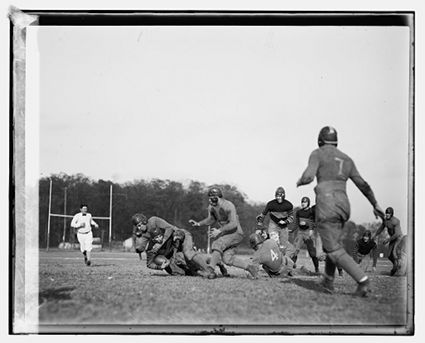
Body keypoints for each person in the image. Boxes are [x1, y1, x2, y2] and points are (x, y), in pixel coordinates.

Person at [296, 126, 384, 296]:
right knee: (333, 244)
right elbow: (363, 185)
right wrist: (375, 204)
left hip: (327, 204)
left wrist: (300, 181)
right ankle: (328, 281)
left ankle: (363, 281)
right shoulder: (347, 159)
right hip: (343, 205)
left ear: (320, 140)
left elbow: (308, 177)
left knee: (333, 248)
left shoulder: (318, 153)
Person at [189, 186, 257, 279]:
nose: (210, 200)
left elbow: (234, 224)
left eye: (212, 197)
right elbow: (211, 219)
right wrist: (198, 223)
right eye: (209, 197)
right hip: (227, 233)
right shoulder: (211, 207)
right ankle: (250, 267)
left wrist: (219, 231)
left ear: (219, 197)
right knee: (227, 259)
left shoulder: (228, 205)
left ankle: (210, 270)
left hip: (236, 233)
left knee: (218, 243)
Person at [131, 213, 216, 278]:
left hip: (181, 235)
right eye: (137, 227)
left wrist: (161, 242)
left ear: (144, 221)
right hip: (172, 244)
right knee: (176, 270)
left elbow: (169, 229)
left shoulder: (153, 220)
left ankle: (209, 269)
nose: (139, 228)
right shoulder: (146, 237)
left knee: (187, 253)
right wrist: (160, 266)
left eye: (139, 225)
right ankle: (199, 271)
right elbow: (148, 260)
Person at [248, 233, 315, 278]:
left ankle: (296, 271)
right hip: (287, 260)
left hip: (281, 272)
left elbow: (253, 271)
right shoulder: (270, 241)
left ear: (253, 245)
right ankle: (298, 269)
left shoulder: (257, 256)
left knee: (264, 266)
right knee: (286, 263)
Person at [256, 187, 296, 260]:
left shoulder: (288, 205)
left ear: (283, 196)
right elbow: (262, 216)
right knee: (274, 243)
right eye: (277, 196)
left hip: (284, 227)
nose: (278, 198)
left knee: (283, 247)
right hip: (273, 225)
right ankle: (273, 261)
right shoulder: (271, 204)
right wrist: (259, 228)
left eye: (280, 196)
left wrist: (285, 222)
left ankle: (282, 262)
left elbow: (291, 218)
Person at [372, 207, 404, 276]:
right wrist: (375, 235)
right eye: (386, 213)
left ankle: (398, 268)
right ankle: (396, 266)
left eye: (388, 213)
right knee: (389, 256)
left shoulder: (395, 221)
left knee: (394, 253)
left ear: (391, 214)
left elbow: (397, 234)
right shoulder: (385, 220)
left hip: (398, 238)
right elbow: (381, 228)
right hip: (392, 238)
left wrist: (387, 240)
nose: (387, 214)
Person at [292, 197, 320, 273]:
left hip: (308, 232)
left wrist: (307, 223)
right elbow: (296, 223)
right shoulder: (298, 212)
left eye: (305, 202)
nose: (303, 203)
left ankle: (317, 269)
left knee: (312, 252)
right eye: (302, 202)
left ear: (308, 203)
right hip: (300, 232)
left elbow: (315, 223)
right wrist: (292, 230)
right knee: (295, 250)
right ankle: (291, 267)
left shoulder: (311, 211)